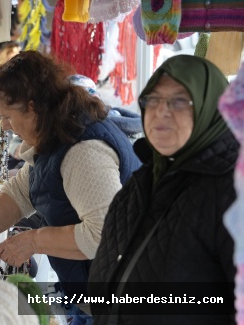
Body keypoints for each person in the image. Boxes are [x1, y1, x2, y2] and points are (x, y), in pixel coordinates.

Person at [0, 51, 141, 325]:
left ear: (32, 107)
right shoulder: (56, 133)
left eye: (7, 116)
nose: (5, 126)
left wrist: (33, 241)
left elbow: (103, 235)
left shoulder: (83, 152)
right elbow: (21, 192)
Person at [88, 56, 237, 324]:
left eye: (180, 100)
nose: (161, 111)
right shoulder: (142, 181)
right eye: (153, 99)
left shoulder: (231, 194)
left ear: (210, 108)